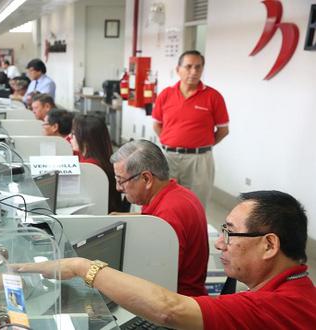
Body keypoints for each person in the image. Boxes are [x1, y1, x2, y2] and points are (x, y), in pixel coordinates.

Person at [17, 190, 316, 329]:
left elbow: (169, 310)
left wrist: (81, 266)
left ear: (269, 245)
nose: (219, 242)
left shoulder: (276, 306)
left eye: (230, 233)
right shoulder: (293, 289)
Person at [111, 140, 208, 296]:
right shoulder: (176, 194)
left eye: (121, 180)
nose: (118, 188)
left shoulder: (168, 216)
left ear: (147, 179)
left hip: (178, 301)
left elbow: (156, 280)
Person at [152, 50, 229, 208]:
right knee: (164, 201)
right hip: (168, 157)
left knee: (196, 205)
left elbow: (223, 130)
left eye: (198, 67)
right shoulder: (165, 95)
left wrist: (202, 145)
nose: (193, 72)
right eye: (188, 67)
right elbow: (157, 124)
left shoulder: (213, 96)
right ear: (178, 69)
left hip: (199, 161)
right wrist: (171, 141)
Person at [70, 114, 129, 213]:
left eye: (73, 134)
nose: (70, 137)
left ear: (85, 140)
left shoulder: (92, 166)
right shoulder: (102, 159)